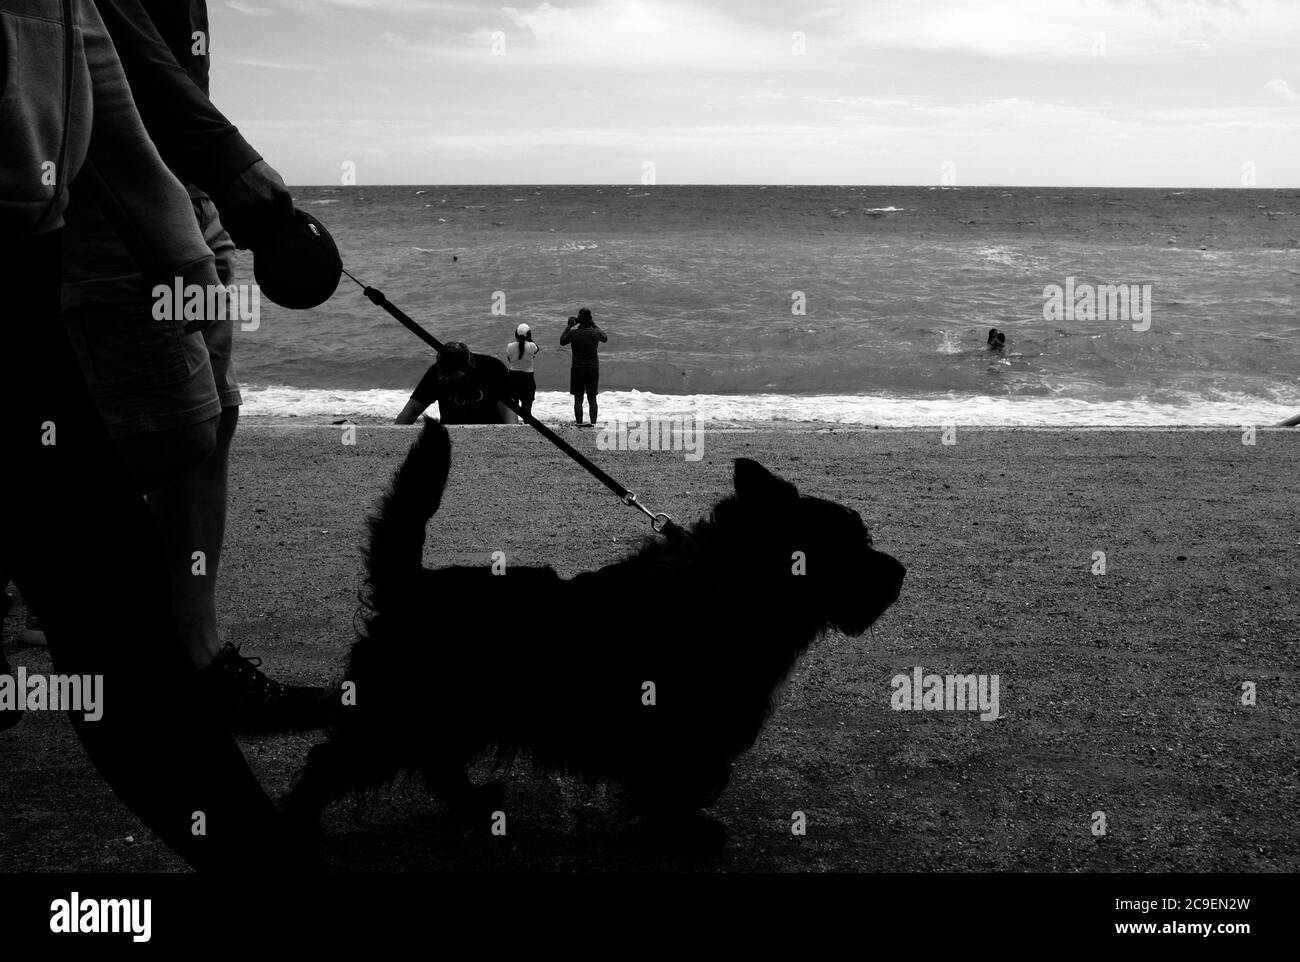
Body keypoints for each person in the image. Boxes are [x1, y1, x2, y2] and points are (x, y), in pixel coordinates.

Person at [0, 0, 313, 869]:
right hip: (64, 217)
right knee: (100, 559)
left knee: (173, 458)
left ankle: (193, 659)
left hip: (80, 210)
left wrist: (192, 244)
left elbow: (92, 46)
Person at [58, 0, 324, 732]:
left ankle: (197, 655)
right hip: (106, 182)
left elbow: (163, 50)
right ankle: (129, 659)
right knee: (163, 434)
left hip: (188, 185)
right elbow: (99, 35)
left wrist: (211, 172)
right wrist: (226, 153)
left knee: (215, 418)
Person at [395, 342, 516, 424]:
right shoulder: (436, 373)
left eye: (449, 374)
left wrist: (511, 439)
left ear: (465, 369)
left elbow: (509, 411)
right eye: (442, 371)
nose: (442, 377)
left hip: (491, 431)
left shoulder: (492, 368)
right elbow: (409, 413)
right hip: (451, 434)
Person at [561, 307, 608, 426]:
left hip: (577, 369)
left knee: (578, 398)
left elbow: (562, 341)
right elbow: (605, 338)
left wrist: (569, 326)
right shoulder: (595, 332)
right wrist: (593, 323)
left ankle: (579, 423)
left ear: (579, 320)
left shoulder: (574, 333)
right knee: (592, 398)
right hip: (592, 368)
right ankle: (593, 424)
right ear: (590, 319)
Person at [505, 322, 540, 418]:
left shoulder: (510, 346)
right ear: (529, 335)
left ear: (516, 334)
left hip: (513, 377)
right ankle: (527, 425)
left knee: (513, 410)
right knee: (527, 411)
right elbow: (537, 349)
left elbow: (509, 360)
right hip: (527, 379)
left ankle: (513, 426)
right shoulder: (532, 346)